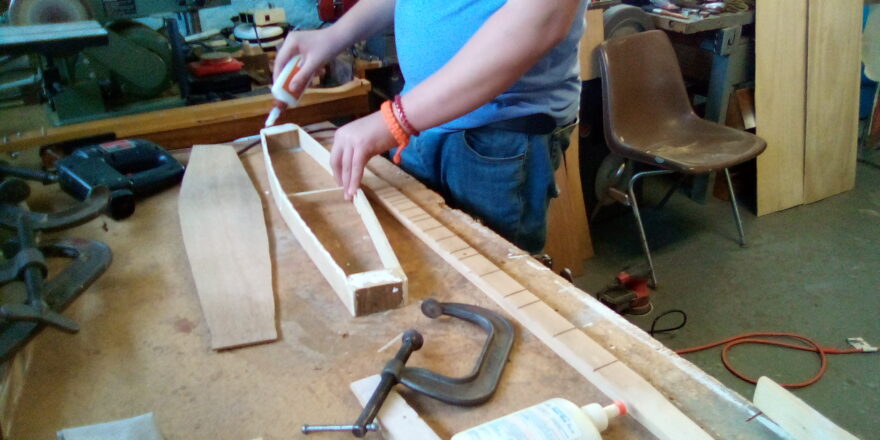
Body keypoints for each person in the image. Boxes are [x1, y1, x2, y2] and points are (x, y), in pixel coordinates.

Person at [274, 0, 587, 254]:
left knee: (493, 285)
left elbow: (541, 18)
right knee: (420, 261)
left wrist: (395, 119)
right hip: (419, 120)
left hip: (499, 133)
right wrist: (333, 36)